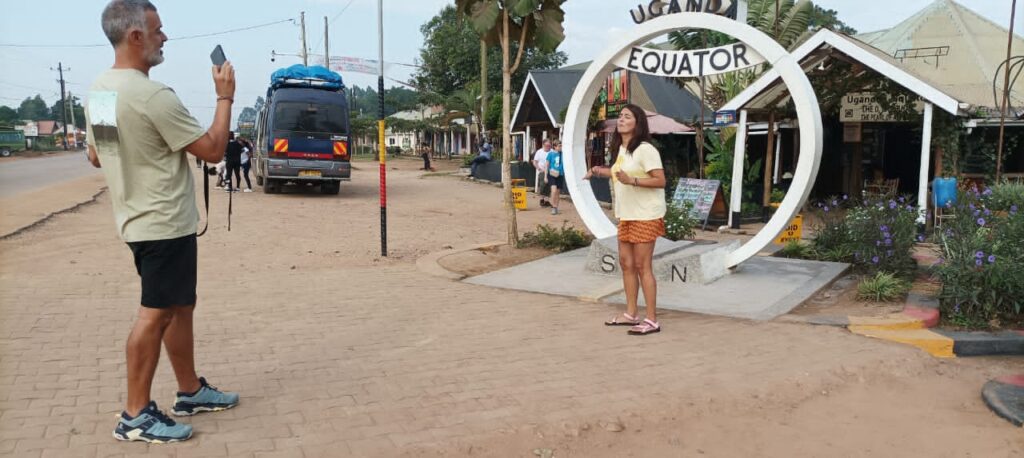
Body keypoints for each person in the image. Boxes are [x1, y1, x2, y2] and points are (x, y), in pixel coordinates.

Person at [85, 0, 240, 443]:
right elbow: (211, 149)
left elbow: (98, 155)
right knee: (155, 314)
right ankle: (135, 414)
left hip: (138, 221)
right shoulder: (152, 95)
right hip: (164, 224)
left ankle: (189, 389)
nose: (164, 37)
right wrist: (225, 97)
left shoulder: (101, 89)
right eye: (157, 30)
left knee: (178, 307)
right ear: (135, 37)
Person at [584, 104, 666, 336]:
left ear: (637, 123)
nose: (621, 119)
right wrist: (598, 171)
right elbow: (619, 172)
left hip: (646, 215)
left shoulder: (645, 149)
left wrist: (633, 182)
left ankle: (652, 320)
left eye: (627, 117)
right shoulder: (623, 148)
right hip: (627, 214)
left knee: (642, 266)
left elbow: (660, 180)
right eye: (620, 116)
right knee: (626, 264)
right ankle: (631, 314)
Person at [546, 139, 565, 215]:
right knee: (553, 191)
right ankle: (553, 205)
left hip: (560, 174)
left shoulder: (562, 154)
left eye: (561, 146)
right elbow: (547, 165)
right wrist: (545, 176)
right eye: (559, 146)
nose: (560, 147)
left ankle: (556, 207)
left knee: (557, 192)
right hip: (552, 174)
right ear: (555, 146)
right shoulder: (550, 154)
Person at [532, 139, 552, 207]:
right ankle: (542, 199)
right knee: (542, 185)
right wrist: (539, 168)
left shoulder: (552, 151)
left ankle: (546, 201)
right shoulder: (539, 152)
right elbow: (535, 162)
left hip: (551, 171)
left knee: (549, 186)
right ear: (543, 145)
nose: (548, 147)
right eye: (546, 145)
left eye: (549, 145)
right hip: (542, 171)